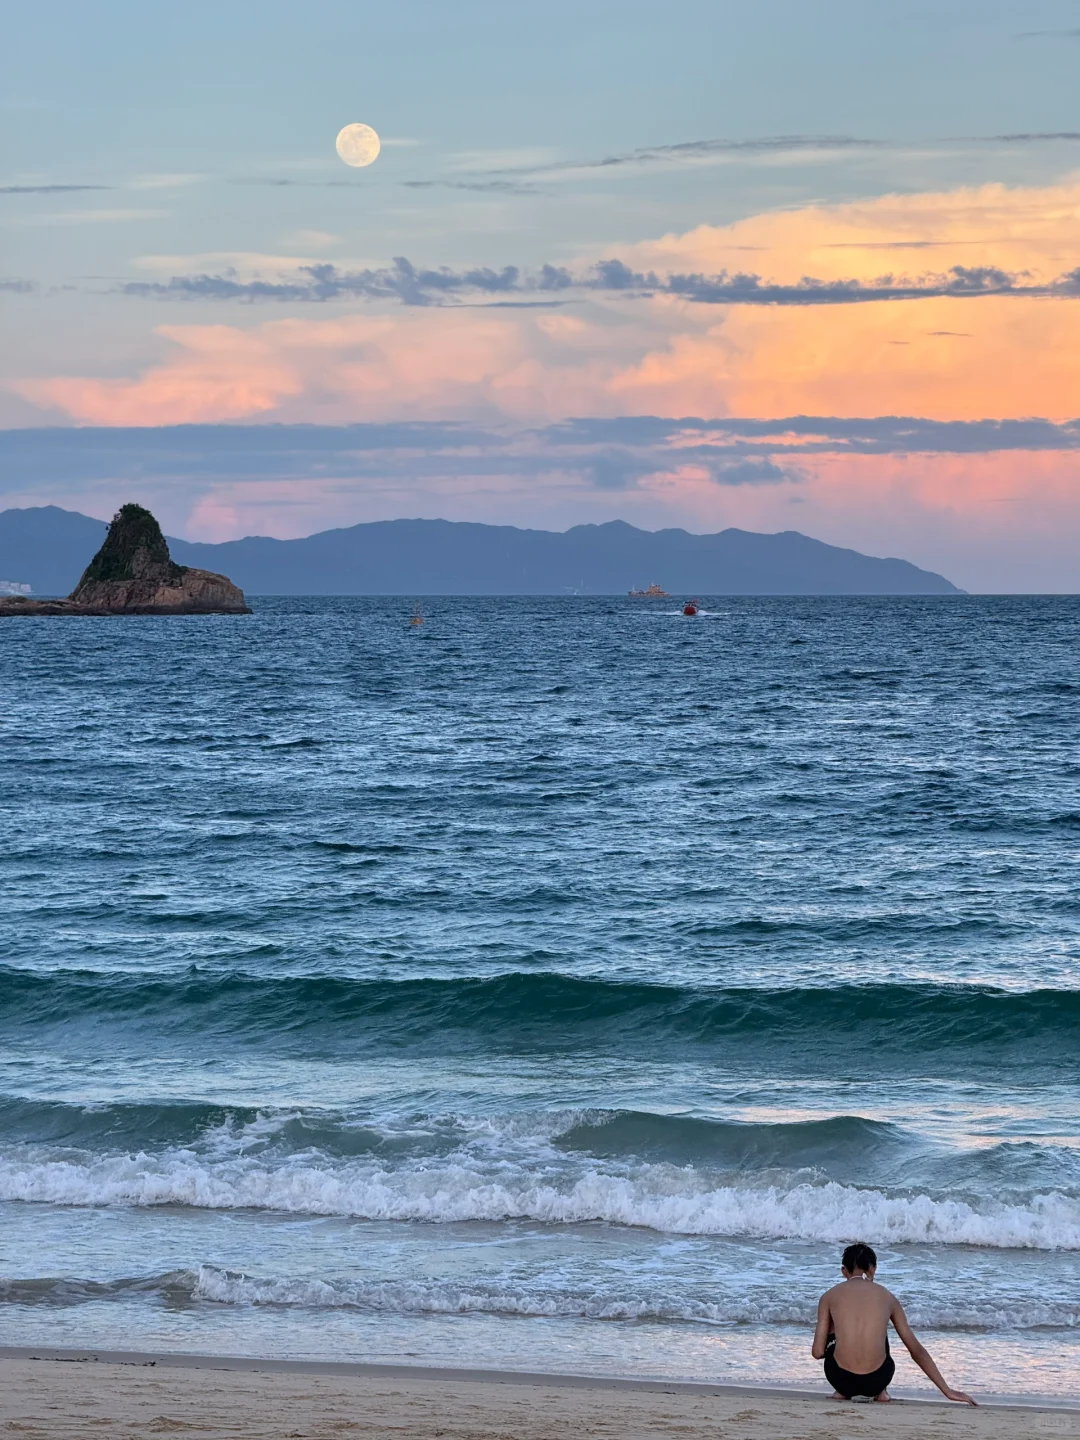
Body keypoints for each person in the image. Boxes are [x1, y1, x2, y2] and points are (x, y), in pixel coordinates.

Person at [811, 1242, 976, 1405]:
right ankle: (882, 1393)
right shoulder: (888, 1298)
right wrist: (947, 1391)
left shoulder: (829, 1297)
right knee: (879, 1329)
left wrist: (841, 1341)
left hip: (841, 1380)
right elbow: (916, 1350)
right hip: (876, 1380)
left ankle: (841, 1392)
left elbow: (817, 1352)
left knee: (837, 1328)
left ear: (844, 1271)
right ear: (873, 1269)